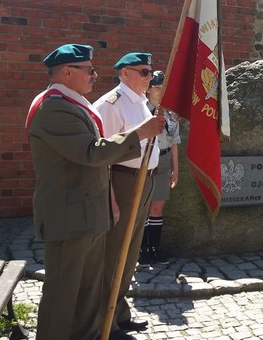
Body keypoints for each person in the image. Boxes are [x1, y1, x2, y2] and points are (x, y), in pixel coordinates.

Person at [26, 44, 163, 340]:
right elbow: (91, 152)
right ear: (67, 72)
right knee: (64, 292)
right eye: (88, 70)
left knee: (87, 290)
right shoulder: (54, 107)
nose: (95, 75)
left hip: (87, 208)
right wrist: (139, 133)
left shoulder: (73, 104)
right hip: (69, 212)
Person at [93, 52, 160, 336]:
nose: (149, 77)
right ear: (125, 73)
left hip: (144, 180)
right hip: (122, 181)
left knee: (130, 253)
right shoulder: (112, 104)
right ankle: (104, 321)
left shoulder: (141, 102)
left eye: (150, 72)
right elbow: (102, 156)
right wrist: (109, 196)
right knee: (113, 254)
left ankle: (119, 313)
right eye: (144, 72)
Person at [138, 70, 181, 266]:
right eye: (157, 87)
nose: (161, 91)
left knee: (157, 208)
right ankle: (142, 249)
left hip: (163, 161)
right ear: (148, 90)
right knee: (143, 208)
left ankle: (155, 247)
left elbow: (174, 142)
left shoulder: (170, 114)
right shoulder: (141, 111)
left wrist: (175, 169)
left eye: (164, 88)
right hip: (145, 162)